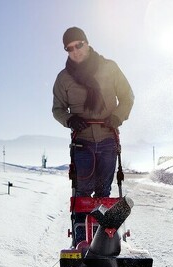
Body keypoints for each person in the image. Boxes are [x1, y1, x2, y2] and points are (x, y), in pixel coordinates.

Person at [52, 27, 134, 198]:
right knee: (83, 192)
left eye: (79, 45)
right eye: (69, 48)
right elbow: (57, 109)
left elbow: (127, 97)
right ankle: (81, 225)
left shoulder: (110, 68)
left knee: (103, 192)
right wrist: (70, 120)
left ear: (87, 43)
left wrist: (117, 116)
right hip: (82, 143)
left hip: (108, 140)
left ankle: (101, 225)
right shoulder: (63, 78)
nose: (75, 51)